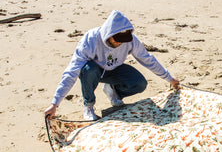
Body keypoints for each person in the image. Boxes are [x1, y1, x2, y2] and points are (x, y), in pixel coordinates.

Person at [45, 10, 180, 121]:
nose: (120, 44)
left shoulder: (130, 41)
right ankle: (88, 106)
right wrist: (55, 104)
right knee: (88, 69)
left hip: (114, 69)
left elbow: (147, 59)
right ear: (108, 34)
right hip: (94, 71)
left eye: (123, 40)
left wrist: (169, 78)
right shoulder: (90, 39)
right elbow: (71, 71)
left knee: (140, 83)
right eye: (117, 40)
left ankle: (113, 91)